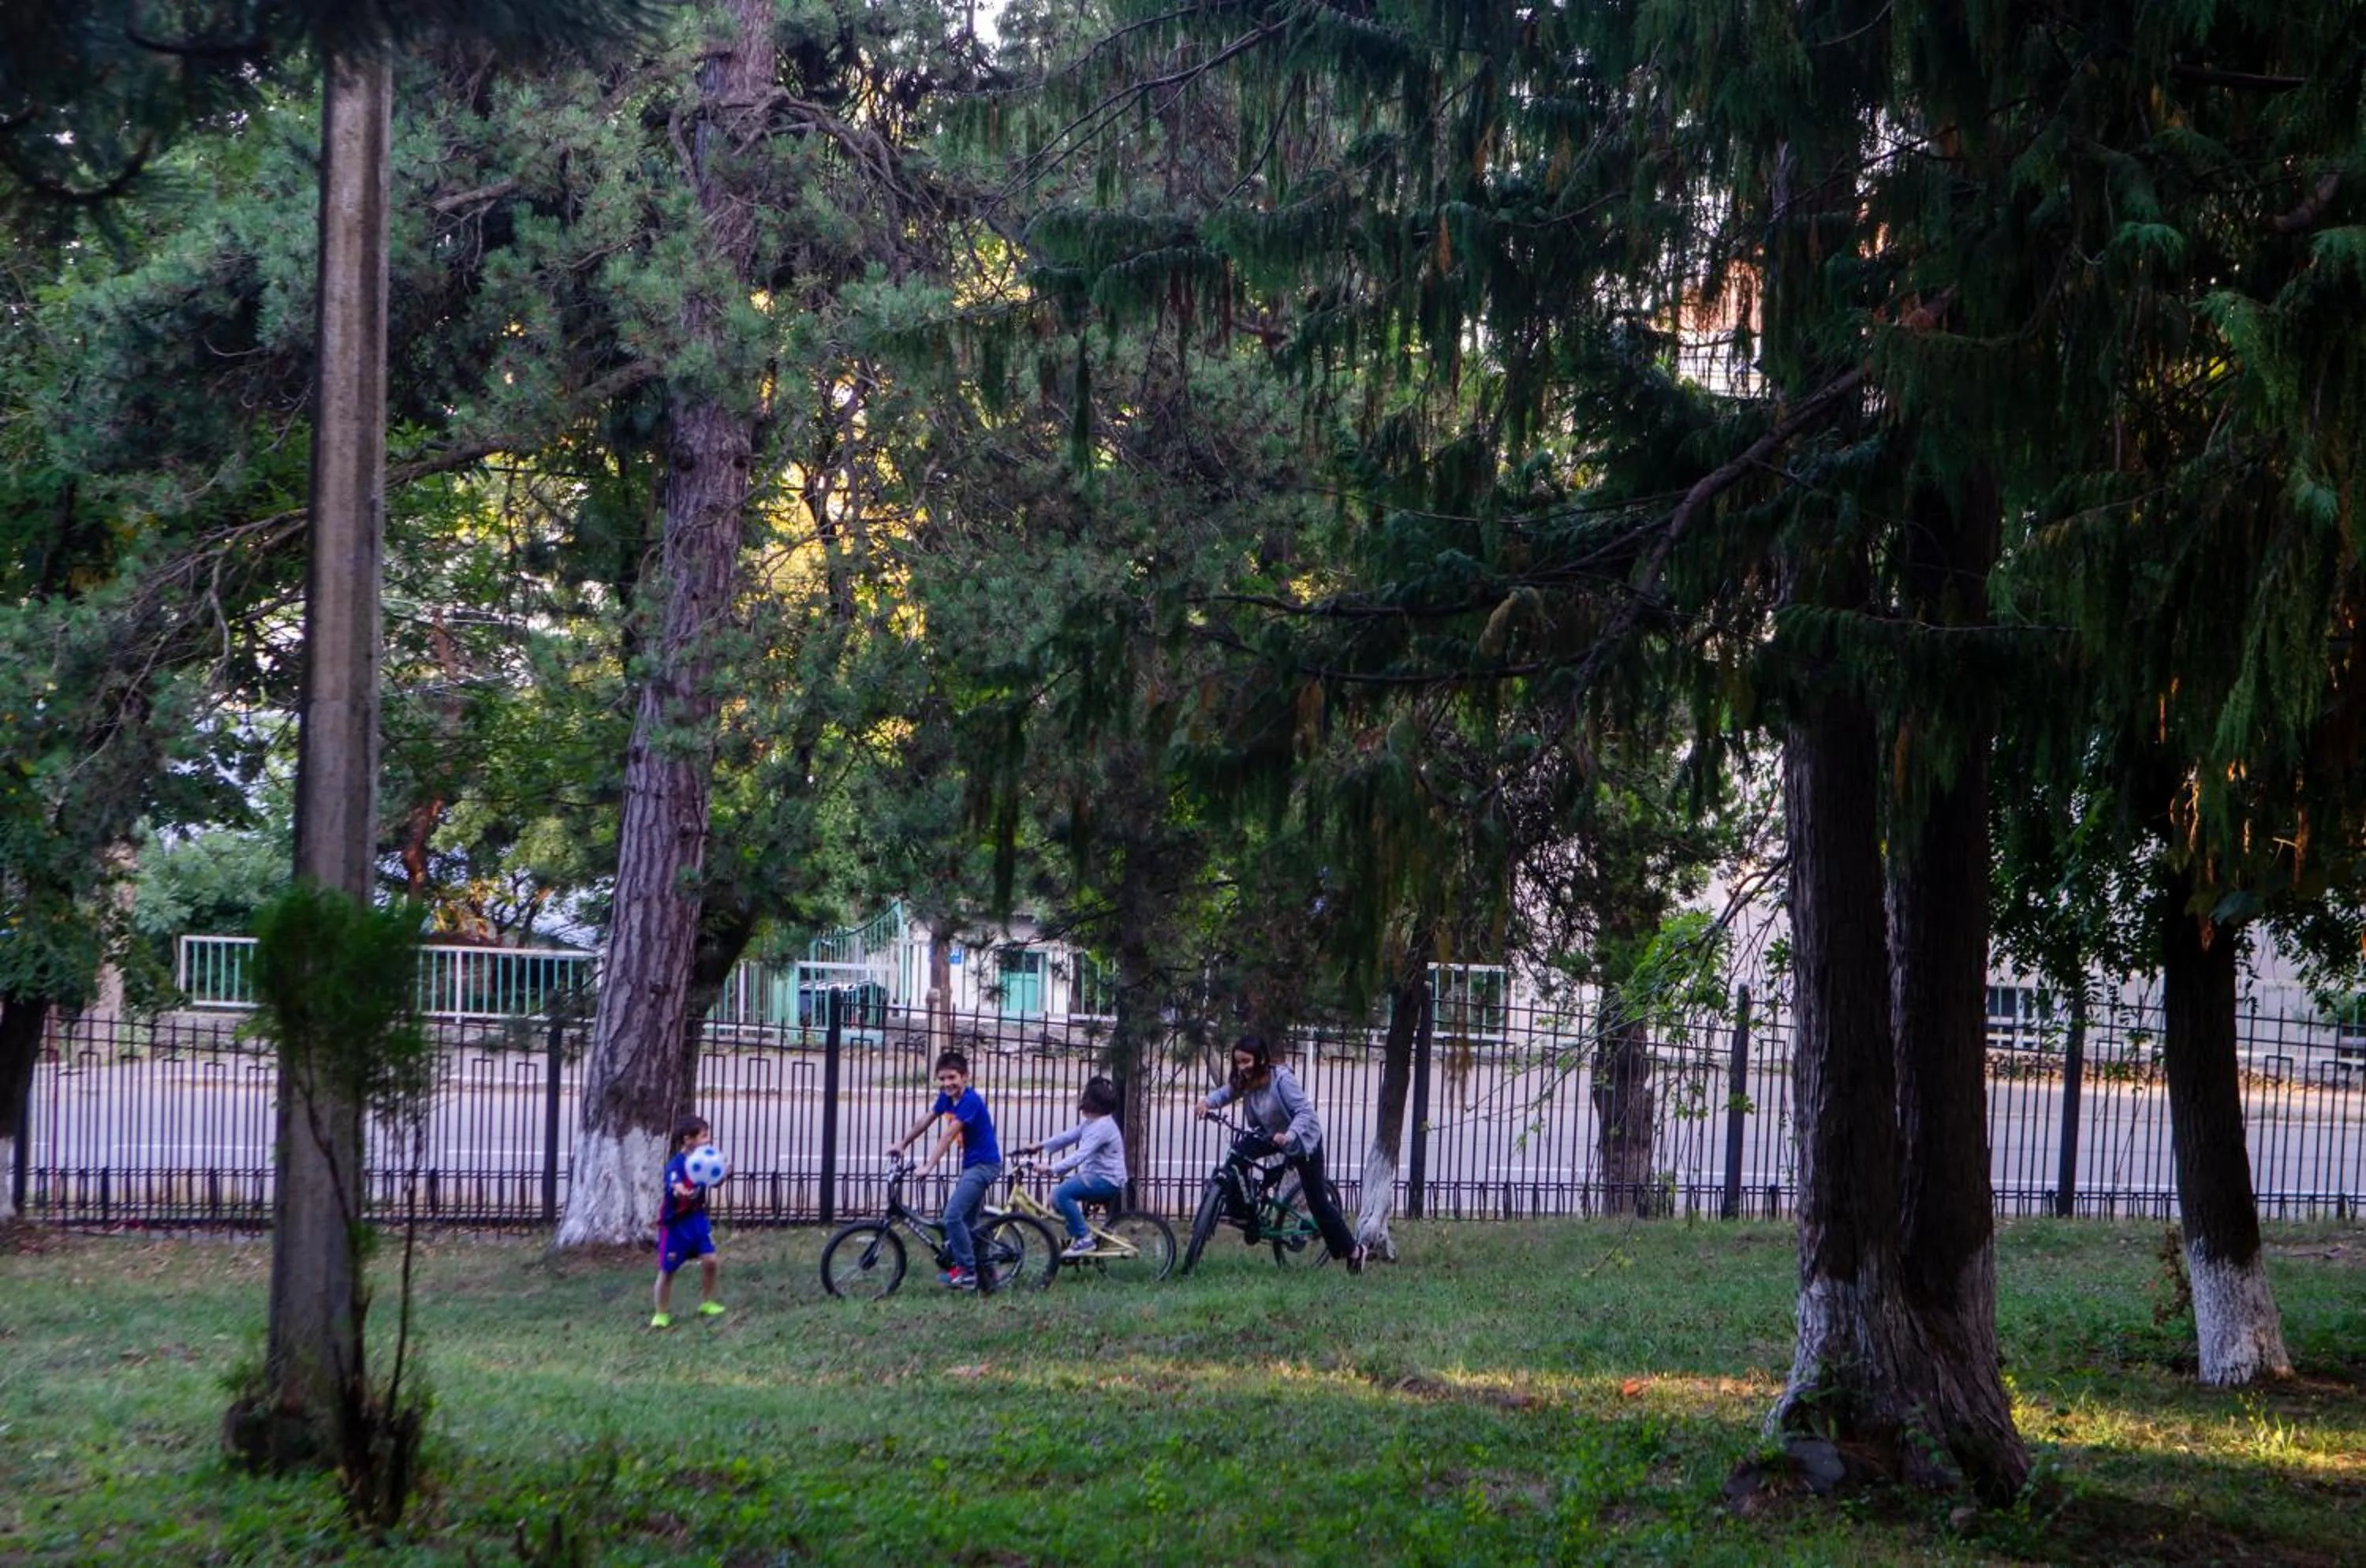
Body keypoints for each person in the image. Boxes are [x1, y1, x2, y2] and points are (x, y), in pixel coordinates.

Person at [1196, 1033, 1366, 1272]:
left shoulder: (1283, 1080)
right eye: (1238, 1062)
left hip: (1302, 1141)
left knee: (1318, 1204)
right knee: (1237, 1156)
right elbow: (1227, 1092)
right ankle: (1244, 1214)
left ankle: (1354, 1251)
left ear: (1261, 1059)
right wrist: (1206, 1102)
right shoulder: (1246, 1080)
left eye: (1246, 1061)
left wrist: (1290, 1135)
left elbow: (1305, 1112)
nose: (1242, 1067)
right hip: (1271, 1136)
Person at [887, 1049, 1002, 1290]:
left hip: (984, 1165)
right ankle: (988, 1271)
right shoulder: (947, 1098)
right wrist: (902, 1144)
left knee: (952, 1216)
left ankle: (967, 1272)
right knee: (967, 1223)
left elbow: (948, 1135)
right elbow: (925, 1120)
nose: (947, 1083)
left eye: (952, 1077)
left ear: (965, 1076)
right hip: (972, 1164)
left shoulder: (970, 1101)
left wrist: (929, 1166)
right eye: (942, 1079)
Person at [1017, 1076, 1127, 1257]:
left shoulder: (1102, 1127)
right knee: (1055, 1199)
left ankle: (1084, 1238)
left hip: (1106, 1180)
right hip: (1097, 1176)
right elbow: (1069, 1136)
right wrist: (1041, 1146)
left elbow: (1079, 1155)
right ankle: (1079, 1234)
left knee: (1060, 1195)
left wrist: (1051, 1168)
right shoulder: (1094, 1122)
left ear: (1092, 1103)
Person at [652, 1114, 725, 1327]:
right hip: (675, 1225)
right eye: (703, 1136)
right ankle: (661, 1313)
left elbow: (713, 1180)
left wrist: (724, 1175)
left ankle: (708, 1302)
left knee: (711, 1261)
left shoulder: (704, 1161)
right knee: (668, 1270)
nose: (708, 1140)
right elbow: (675, 1184)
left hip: (696, 1219)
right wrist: (681, 1190)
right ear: (688, 1139)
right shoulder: (676, 1165)